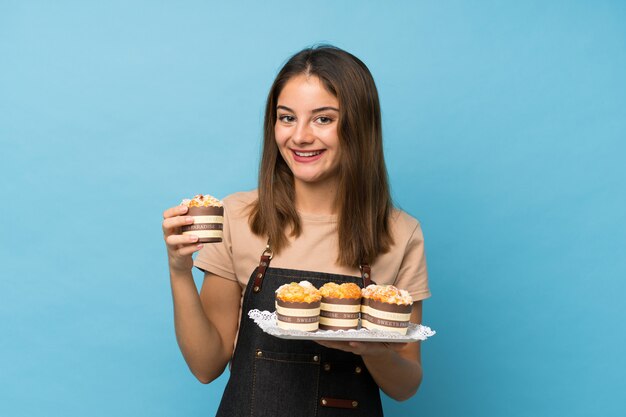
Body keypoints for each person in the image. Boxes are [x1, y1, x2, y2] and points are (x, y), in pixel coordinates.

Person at [162, 45, 431, 417]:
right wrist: (179, 270)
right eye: (286, 118)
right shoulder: (238, 216)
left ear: (360, 125)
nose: (300, 136)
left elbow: (406, 385)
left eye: (323, 119)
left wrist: (373, 351)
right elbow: (205, 366)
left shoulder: (400, 234)